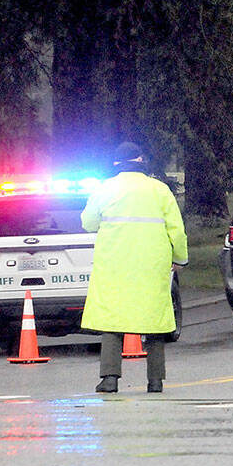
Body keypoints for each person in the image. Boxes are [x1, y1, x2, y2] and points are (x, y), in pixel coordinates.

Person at [81, 142, 188, 393]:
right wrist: (180, 258)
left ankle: (109, 379)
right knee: (155, 322)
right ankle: (155, 380)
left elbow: (88, 223)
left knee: (112, 320)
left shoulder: (104, 189)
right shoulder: (159, 190)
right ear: (141, 161)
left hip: (114, 264)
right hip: (152, 265)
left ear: (116, 164)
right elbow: (177, 230)